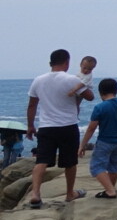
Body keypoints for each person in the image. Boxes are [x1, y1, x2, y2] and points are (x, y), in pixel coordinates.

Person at [24, 48, 94, 208]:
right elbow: (90, 97)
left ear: (51, 62)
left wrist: (30, 126)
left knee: (41, 161)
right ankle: (70, 193)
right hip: (67, 125)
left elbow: (32, 105)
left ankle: (35, 194)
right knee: (70, 162)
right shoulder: (71, 80)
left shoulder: (38, 80)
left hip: (46, 126)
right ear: (67, 62)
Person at [79, 79, 117, 198]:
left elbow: (91, 128)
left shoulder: (100, 107)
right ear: (116, 90)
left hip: (106, 140)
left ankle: (110, 190)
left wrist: (82, 144)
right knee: (114, 165)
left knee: (96, 166)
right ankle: (110, 188)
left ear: (100, 92)